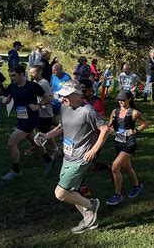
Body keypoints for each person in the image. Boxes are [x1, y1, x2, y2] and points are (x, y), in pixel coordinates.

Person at [35, 81, 110, 234]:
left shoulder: (88, 110)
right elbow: (61, 127)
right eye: (62, 96)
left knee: (61, 193)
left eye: (66, 96)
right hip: (68, 156)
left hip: (81, 158)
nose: (63, 99)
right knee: (71, 191)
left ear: (77, 95)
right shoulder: (65, 107)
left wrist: (94, 150)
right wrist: (46, 135)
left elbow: (105, 129)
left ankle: (91, 205)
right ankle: (90, 220)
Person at [1, 64, 53, 180]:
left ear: (21, 74)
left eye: (13, 75)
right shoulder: (12, 87)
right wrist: (5, 100)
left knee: (11, 143)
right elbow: (6, 99)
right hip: (21, 119)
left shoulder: (33, 86)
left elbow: (49, 98)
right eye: (10, 75)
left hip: (31, 119)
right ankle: (49, 160)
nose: (11, 77)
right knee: (35, 142)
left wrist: (38, 105)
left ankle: (16, 170)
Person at [106, 90, 147, 206]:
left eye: (123, 99)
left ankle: (117, 195)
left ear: (129, 99)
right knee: (127, 167)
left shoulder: (134, 113)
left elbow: (144, 124)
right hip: (119, 143)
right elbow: (110, 125)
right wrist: (108, 130)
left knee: (115, 168)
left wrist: (135, 130)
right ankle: (137, 186)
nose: (121, 101)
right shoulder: (115, 111)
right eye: (119, 99)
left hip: (130, 144)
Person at [29, 65, 59, 158]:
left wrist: (38, 105)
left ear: (39, 73)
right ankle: (37, 147)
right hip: (38, 112)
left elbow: (50, 98)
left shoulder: (44, 83)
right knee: (40, 132)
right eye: (30, 72)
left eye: (33, 72)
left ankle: (55, 149)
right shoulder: (34, 82)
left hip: (45, 113)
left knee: (45, 133)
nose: (31, 74)